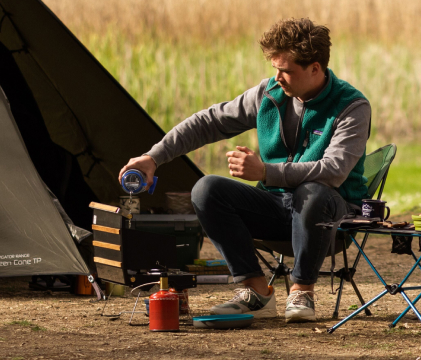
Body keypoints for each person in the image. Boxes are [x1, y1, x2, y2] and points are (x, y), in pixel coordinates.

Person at [117, 18, 370, 323]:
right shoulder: (269, 93)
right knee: (206, 189)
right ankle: (255, 292)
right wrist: (153, 158)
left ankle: (302, 291)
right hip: (277, 209)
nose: (277, 78)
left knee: (314, 191)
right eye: (274, 68)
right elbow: (208, 122)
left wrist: (265, 172)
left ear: (315, 68)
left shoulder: (352, 106)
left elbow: (333, 171)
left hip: (330, 219)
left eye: (286, 70)